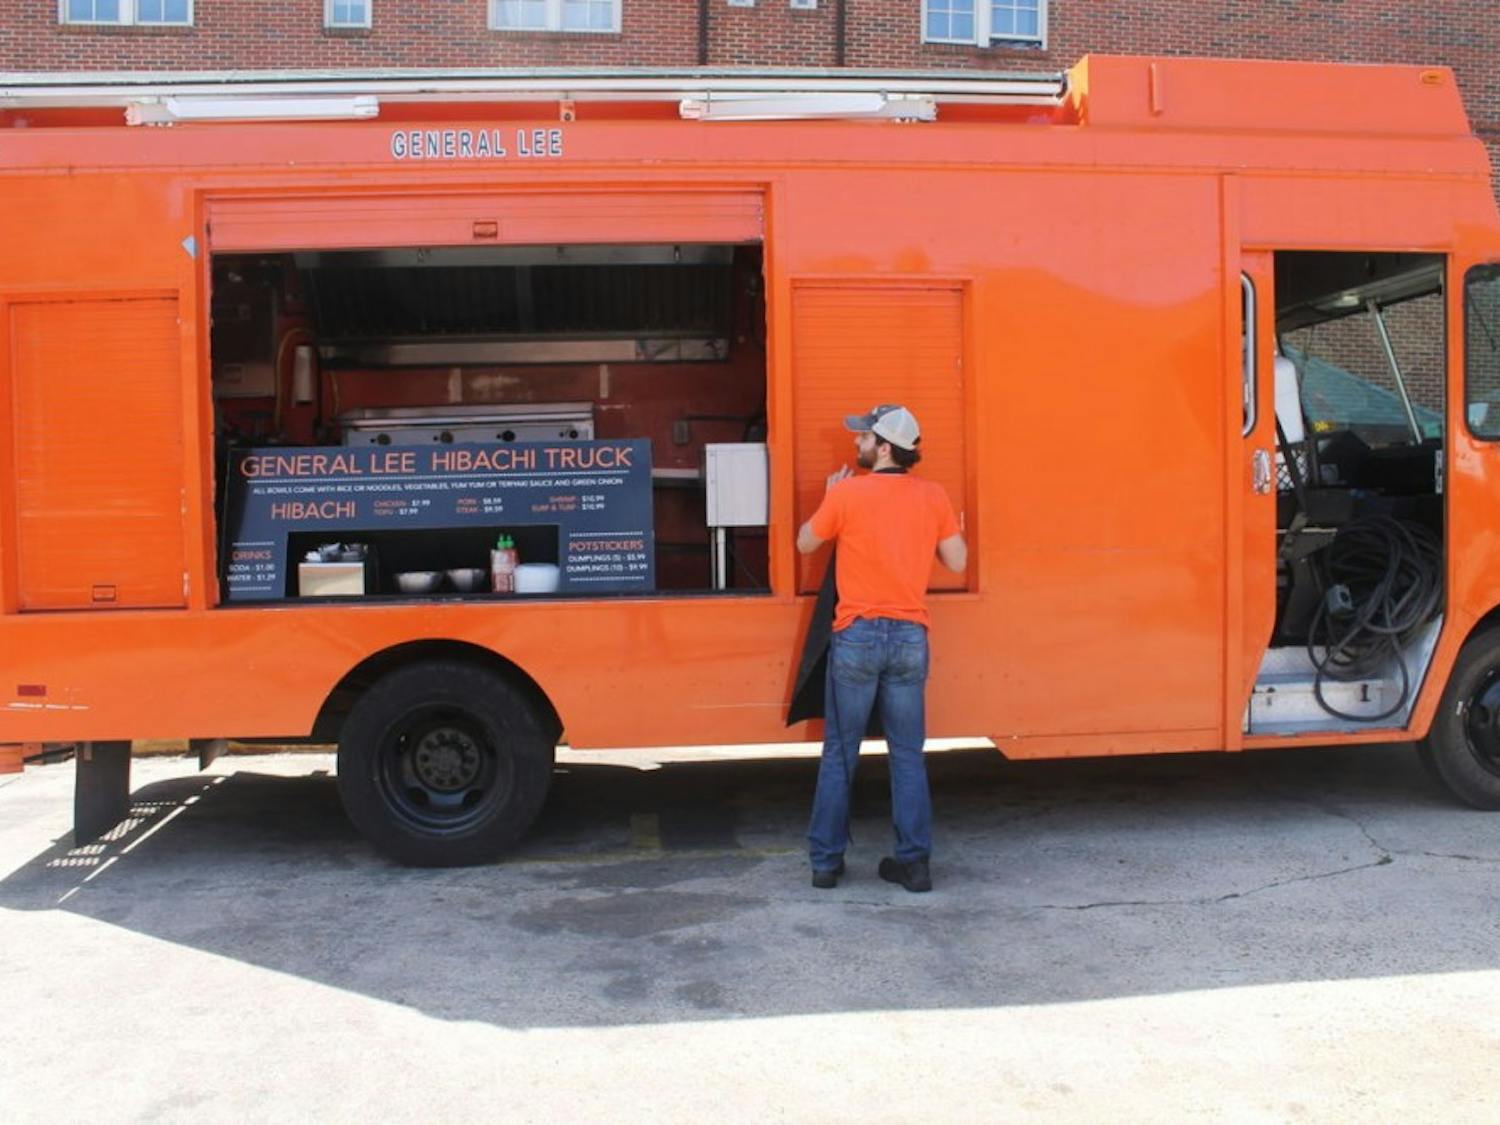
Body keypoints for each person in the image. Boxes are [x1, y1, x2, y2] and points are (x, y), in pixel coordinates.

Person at [796, 404, 968, 892]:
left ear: (885, 447)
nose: (856, 444)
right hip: (910, 636)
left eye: (864, 438)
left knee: (840, 752)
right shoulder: (932, 496)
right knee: (908, 754)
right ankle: (914, 865)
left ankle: (826, 864)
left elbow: (806, 543)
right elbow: (956, 561)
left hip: (857, 634)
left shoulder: (847, 493)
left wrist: (829, 501)